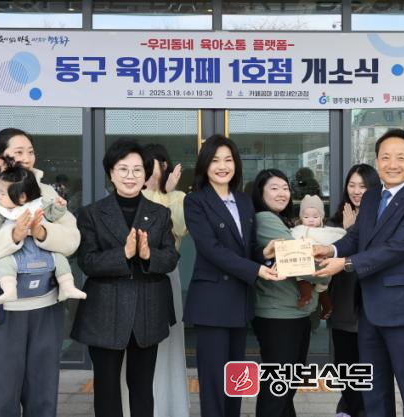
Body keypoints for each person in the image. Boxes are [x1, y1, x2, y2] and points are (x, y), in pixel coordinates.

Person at [314, 129, 404, 417]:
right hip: (370, 311)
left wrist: (345, 263)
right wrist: (329, 250)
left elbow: (395, 249)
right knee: (374, 391)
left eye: (400, 158)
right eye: (385, 157)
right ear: (377, 161)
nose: (392, 164)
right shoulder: (371, 197)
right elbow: (357, 237)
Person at [0, 128, 80, 417]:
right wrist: (12, 236)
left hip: (45, 309)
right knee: (0, 399)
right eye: (19, 152)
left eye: (30, 151)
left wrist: (41, 232)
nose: (27, 157)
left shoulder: (46, 193)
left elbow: (72, 240)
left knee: (42, 399)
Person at [71, 139, 179, 417]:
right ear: (111, 173)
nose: (130, 176)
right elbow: (87, 261)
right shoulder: (91, 213)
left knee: (142, 387)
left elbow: (170, 258)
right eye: (123, 169)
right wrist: (124, 253)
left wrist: (148, 255)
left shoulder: (160, 213)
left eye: (137, 170)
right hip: (104, 313)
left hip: (147, 311)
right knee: (106, 389)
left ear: (146, 175)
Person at [183, 135, 278, 417]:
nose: (222, 166)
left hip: (239, 299)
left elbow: (248, 247)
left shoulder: (244, 200)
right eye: (215, 160)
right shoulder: (195, 201)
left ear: (236, 164)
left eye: (228, 160)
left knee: (236, 379)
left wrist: (265, 253)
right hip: (212, 302)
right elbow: (211, 249)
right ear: (205, 165)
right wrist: (255, 270)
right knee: (214, 381)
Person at [252, 168, 321, 417]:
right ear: (260, 193)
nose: (282, 193)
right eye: (274, 188)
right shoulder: (265, 219)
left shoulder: (282, 219)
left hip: (291, 313)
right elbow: (299, 259)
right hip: (278, 315)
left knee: (285, 385)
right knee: (278, 387)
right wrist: (330, 268)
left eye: (285, 188)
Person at [0, 165, 86, 304]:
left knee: (60, 260)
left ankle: (68, 286)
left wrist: (59, 207)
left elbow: (52, 214)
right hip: (14, 252)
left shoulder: (38, 204)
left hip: (42, 249)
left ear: (22, 197)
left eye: (3, 194)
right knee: (4, 263)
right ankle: (9, 290)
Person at [324, 163, 379, 417]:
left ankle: (359, 409)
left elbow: (375, 259)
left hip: (371, 307)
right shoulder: (335, 220)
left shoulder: (382, 218)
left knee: (369, 367)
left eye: (363, 186)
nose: (357, 191)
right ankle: (348, 406)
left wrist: (352, 232)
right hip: (344, 307)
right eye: (352, 185)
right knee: (345, 364)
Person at [141, 143, 190, 417]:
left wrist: (168, 194)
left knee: (167, 342)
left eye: (156, 165)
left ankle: (170, 407)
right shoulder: (132, 194)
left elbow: (178, 229)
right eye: (146, 166)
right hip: (135, 274)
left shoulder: (178, 196)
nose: (151, 172)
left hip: (166, 271)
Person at [291, 194, 346, 312]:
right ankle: (306, 296)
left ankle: (325, 303)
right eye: (306, 217)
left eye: (315, 216)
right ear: (301, 217)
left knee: (323, 283)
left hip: (322, 265)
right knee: (300, 277)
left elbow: (337, 238)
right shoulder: (298, 230)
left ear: (321, 217)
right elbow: (292, 240)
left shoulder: (326, 231)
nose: (311, 220)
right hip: (304, 264)